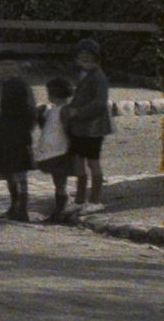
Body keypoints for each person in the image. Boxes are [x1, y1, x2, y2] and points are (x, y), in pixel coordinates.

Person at [66, 38, 114, 208]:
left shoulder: (99, 77)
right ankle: (79, 199)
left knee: (93, 162)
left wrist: (78, 112)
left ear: (97, 59)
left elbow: (100, 103)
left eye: (89, 58)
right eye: (81, 58)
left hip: (94, 127)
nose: (85, 62)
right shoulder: (83, 75)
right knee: (78, 162)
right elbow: (79, 97)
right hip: (80, 127)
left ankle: (95, 200)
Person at [0, 75, 38, 222]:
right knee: (8, 171)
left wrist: (25, 132)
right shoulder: (2, 90)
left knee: (20, 173)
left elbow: (31, 118)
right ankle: (14, 205)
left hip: (19, 137)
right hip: (4, 136)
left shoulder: (23, 109)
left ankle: (22, 209)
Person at [34, 76, 75, 223]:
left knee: (59, 181)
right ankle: (62, 207)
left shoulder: (64, 111)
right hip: (54, 150)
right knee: (58, 180)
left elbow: (70, 131)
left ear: (52, 95)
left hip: (61, 150)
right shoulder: (54, 110)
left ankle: (61, 209)